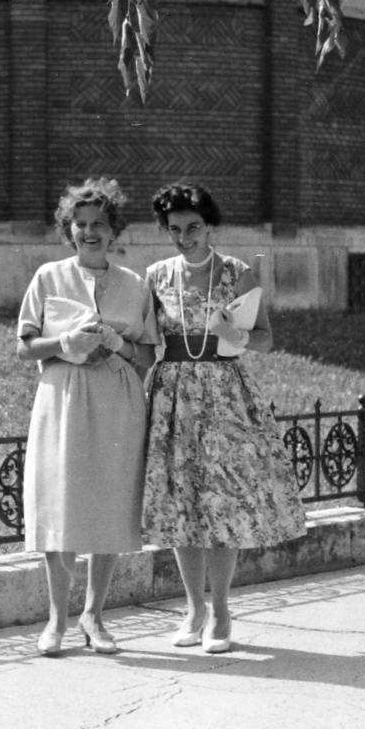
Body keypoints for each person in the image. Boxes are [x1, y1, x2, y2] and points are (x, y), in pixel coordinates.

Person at [140, 183, 306, 654]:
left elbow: (267, 339)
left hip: (224, 395)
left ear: (210, 226)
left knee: (222, 502)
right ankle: (193, 607)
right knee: (182, 502)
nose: (184, 237)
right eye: (174, 230)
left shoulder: (237, 272)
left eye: (193, 227)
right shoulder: (155, 276)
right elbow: (144, 339)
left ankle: (222, 609)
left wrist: (235, 332)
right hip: (172, 395)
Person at [16, 178, 159, 657]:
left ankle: (95, 616)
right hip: (63, 397)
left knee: (109, 505)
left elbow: (148, 355)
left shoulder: (135, 285)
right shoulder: (48, 278)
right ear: (68, 229)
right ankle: (56, 618)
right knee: (59, 505)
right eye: (80, 224)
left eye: (99, 223)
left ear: (113, 229)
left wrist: (118, 343)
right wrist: (64, 345)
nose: (90, 232)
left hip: (118, 399)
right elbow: (24, 345)